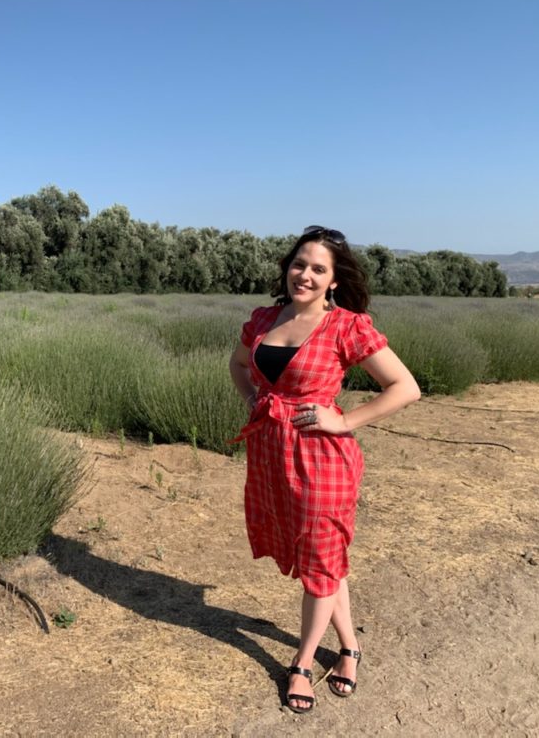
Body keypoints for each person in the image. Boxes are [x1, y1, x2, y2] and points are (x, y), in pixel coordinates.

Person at [229, 225, 420, 714]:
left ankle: (302, 662)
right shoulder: (265, 317)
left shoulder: (347, 327)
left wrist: (344, 421)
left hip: (322, 462)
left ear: (334, 280)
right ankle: (351, 648)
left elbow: (405, 387)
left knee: (319, 563)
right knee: (324, 561)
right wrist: (255, 398)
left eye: (318, 269)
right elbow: (237, 363)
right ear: (287, 267)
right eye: (299, 264)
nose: (305, 275)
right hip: (272, 455)